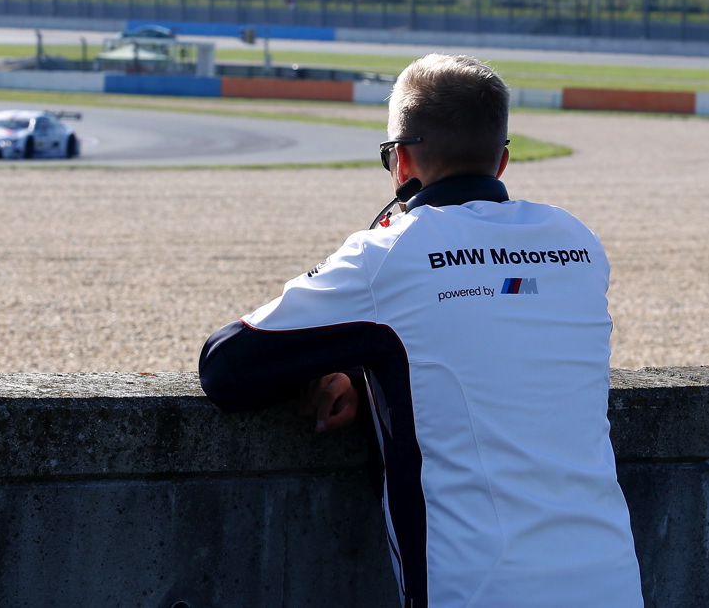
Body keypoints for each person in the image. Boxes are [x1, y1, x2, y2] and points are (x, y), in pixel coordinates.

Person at [198, 54, 643, 608]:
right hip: (612, 581)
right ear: (502, 161)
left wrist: (340, 367)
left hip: (481, 592)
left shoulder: (391, 253)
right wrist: (367, 379)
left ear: (401, 160)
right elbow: (490, 342)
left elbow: (225, 367)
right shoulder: (577, 242)